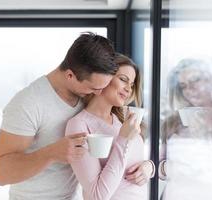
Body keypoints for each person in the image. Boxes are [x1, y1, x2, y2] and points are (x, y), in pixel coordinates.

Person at [0, 32, 118, 200]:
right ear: (70, 75)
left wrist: (148, 167)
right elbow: (1, 173)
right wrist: (51, 153)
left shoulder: (87, 97)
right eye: (94, 88)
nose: (100, 93)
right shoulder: (28, 103)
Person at [65, 53, 155, 200]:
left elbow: (131, 162)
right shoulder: (79, 125)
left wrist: (149, 167)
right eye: (123, 80)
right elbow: (97, 195)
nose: (128, 89)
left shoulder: (122, 120)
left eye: (131, 85)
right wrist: (123, 138)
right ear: (104, 78)